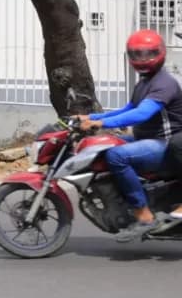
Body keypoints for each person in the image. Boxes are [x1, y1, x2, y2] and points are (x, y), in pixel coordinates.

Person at [75, 29, 182, 242]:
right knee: (102, 145)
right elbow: (127, 109)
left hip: (165, 142)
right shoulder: (144, 83)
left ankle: (143, 214)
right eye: (137, 54)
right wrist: (91, 116)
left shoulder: (164, 83)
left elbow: (142, 113)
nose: (143, 59)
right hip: (147, 139)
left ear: (160, 53)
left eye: (148, 53)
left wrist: (100, 122)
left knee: (117, 156)